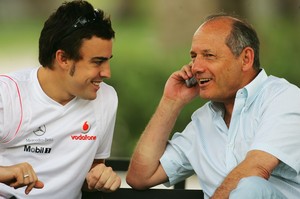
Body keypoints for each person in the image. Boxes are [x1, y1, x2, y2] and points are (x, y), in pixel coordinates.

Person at [126, 13, 300, 199]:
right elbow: (140, 177)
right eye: (194, 57)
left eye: (209, 55)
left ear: (246, 59)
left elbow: (256, 168)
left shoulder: (285, 98)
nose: (196, 67)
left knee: (252, 186)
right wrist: (171, 102)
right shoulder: (203, 121)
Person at [0, 1, 121, 198]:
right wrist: (4, 173)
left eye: (108, 60)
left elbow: (93, 171)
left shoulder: (106, 98)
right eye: (98, 62)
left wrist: (99, 178)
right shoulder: (7, 94)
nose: (107, 72)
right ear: (63, 58)